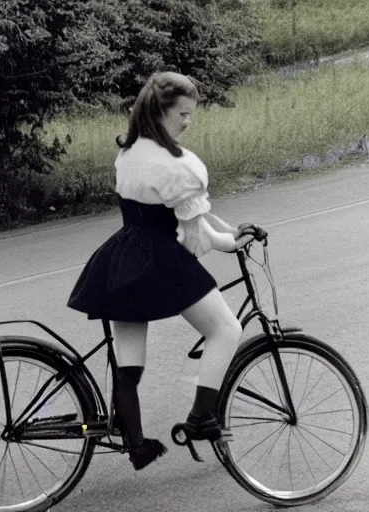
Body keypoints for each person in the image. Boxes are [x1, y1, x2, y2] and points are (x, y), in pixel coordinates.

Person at [67, 71, 261, 471]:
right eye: (183, 114)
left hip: (124, 257)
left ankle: (136, 444)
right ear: (160, 113)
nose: (188, 122)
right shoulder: (178, 166)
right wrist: (228, 242)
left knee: (129, 363)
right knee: (226, 329)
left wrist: (227, 228)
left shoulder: (130, 152)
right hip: (159, 259)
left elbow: (192, 210)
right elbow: (195, 237)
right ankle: (202, 416)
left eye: (191, 114)